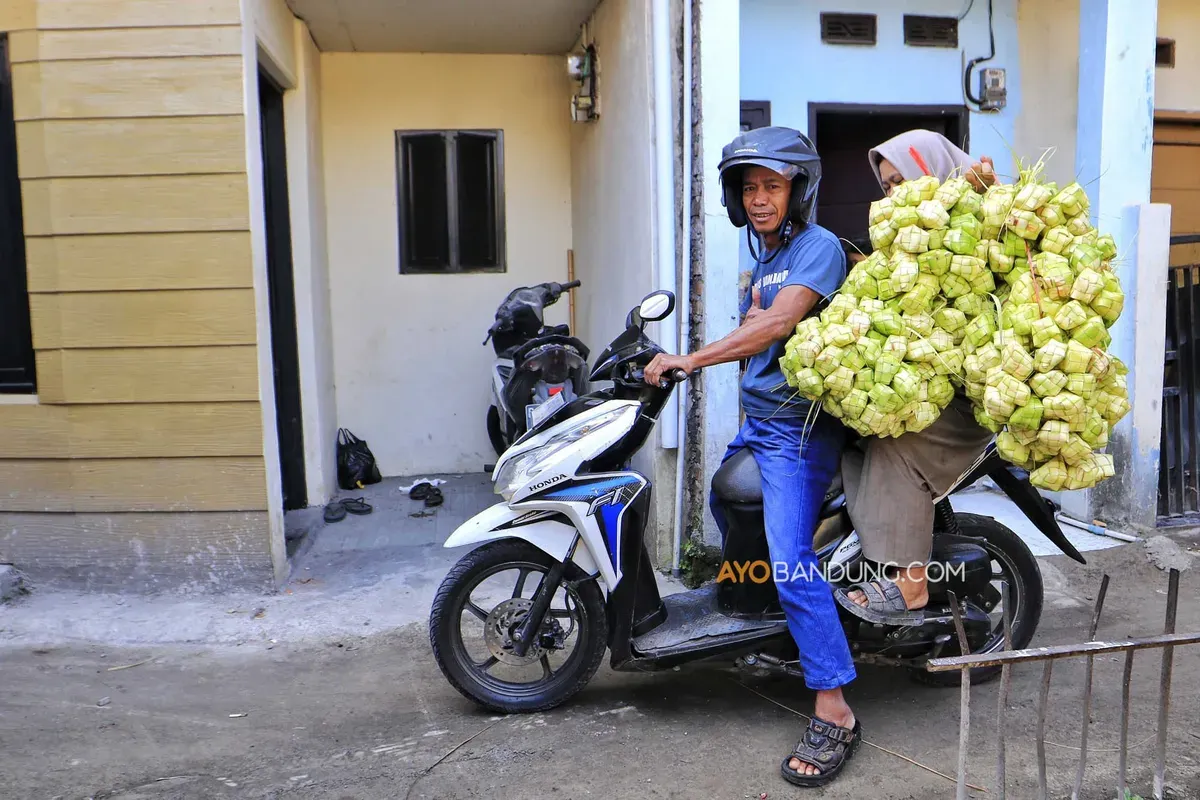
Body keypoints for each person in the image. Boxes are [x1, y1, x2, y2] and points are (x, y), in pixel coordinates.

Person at [645, 127, 860, 788]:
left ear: (797, 189)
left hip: (797, 432)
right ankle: (769, 626)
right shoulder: (767, 252)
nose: (759, 198)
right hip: (760, 423)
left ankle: (835, 706)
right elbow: (752, 329)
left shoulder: (817, 249)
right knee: (724, 501)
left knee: (791, 563)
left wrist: (690, 357)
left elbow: (774, 326)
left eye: (771, 186)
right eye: (749, 187)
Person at [837, 129, 999, 624]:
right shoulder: (909, 237)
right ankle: (868, 557)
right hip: (929, 388)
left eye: (899, 180)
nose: (893, 195)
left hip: (968, 399)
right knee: (853, 442)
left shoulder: (984, 225)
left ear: (930, 171)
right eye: (885, 187)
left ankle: (908, 585)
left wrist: (974, 191)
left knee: (896, 449)